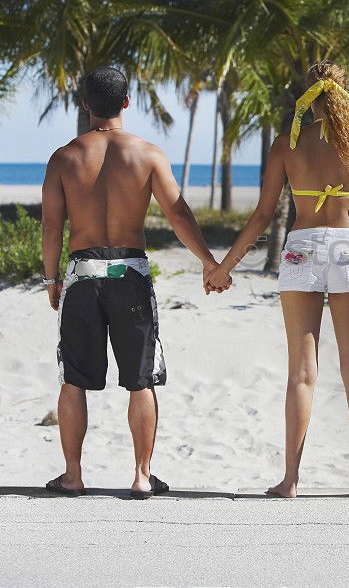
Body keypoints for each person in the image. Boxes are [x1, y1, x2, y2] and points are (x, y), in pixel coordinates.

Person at [40, 66, 230, 498]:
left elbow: (52, 227)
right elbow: (178, 214)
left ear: (85, 104)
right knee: (140, 379)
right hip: (130, 273)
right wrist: (209, 262)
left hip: (83, 274)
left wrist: (52, 279)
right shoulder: (148, 155)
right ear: (127, 102)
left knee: (73, 379)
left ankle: (72, 476)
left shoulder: (64, 158)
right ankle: (143, 475)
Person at [206, 61, 349, 498]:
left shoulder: (286, 145)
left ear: (309, 94)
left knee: (301, 374)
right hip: (347, 249)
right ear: (343, 93)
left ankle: (290, 479)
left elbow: (263, 215)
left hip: (302, 247)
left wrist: (224, 267)